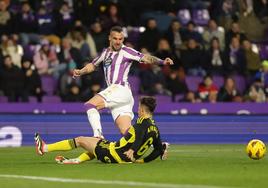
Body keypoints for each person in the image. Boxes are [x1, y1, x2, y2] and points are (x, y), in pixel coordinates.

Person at [72, 26, 173, 138]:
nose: (118, 42)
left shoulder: (127, 51)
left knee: (90, 105)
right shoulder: (105, 53)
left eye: (120, 39)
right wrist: (80, 72)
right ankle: (157, 145)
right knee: (127, 133)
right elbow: (93, 65)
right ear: (109, 38)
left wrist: (163, 62)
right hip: (121, 97)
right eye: (115, 38)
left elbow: (146, 58)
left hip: (120, 88)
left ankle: (98, 136)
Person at [34, 96, 169, 164]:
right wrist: (141, 161)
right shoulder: (155, 128)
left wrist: (132, 150)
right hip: (119, 153)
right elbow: (158, 149)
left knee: (81, 140)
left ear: (142, 109)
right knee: (97, 144)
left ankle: (44, 148)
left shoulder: (140, 124)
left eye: (139, 107)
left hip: (114, 154)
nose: (137, 110)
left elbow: (139, 136)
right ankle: (75, 161)